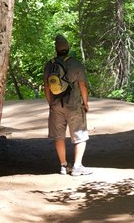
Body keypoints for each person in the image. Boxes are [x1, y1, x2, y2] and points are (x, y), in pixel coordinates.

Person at [43, 34, 92, 176]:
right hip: (74, 105)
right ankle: (77, 166)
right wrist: (86, 103)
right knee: (80, 135)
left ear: (55, 49)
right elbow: (82, 86)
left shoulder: (49, 65)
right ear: (68, 48)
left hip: (56, 106)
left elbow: (46, 87)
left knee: (59, 136)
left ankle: (63, 166)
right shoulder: (76, 64)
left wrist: (51, 103)